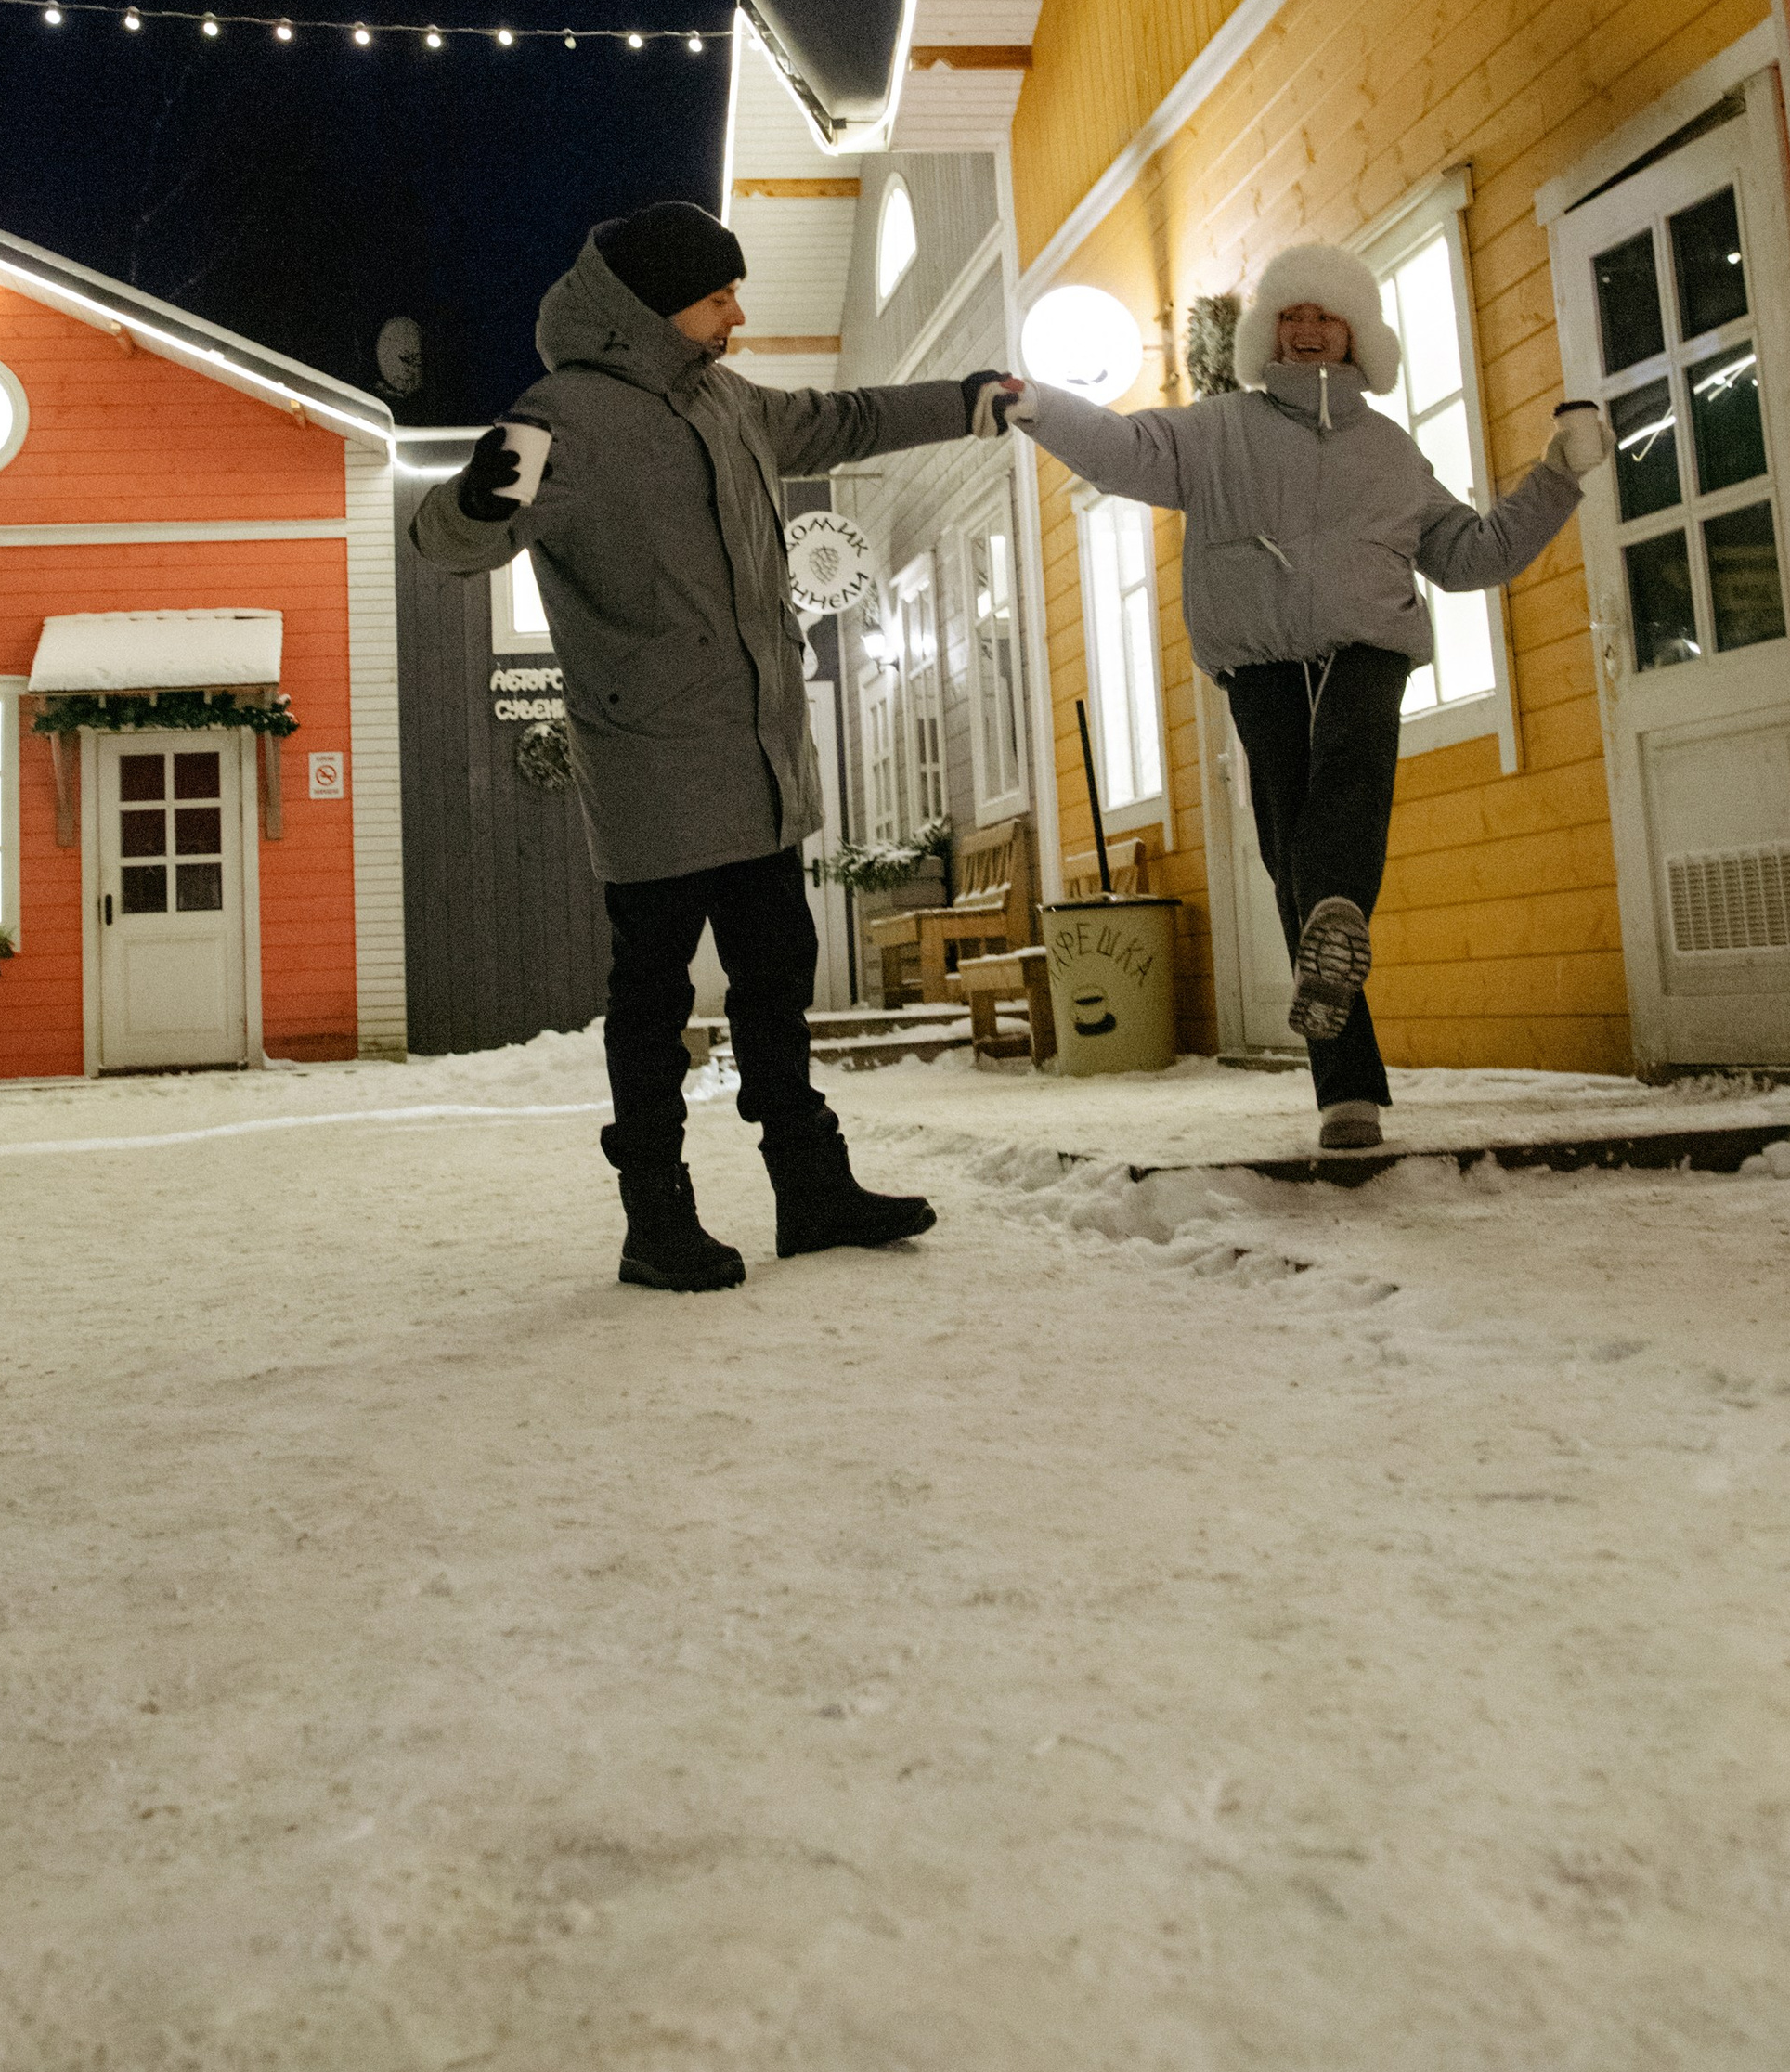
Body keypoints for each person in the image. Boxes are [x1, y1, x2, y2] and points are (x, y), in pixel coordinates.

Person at [409, 200, 1015, 1290]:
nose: (737, 311)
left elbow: (842, 419)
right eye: (716, 295)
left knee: (776, 976)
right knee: (653, 997)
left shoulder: (728, 402)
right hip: (650, 763)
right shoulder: (563, 418)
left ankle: (811, 1188)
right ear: (651, 307)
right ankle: (656, 1215)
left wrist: (963, 402)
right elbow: (449, 543)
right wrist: (472, 499)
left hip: (760, 759)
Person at [997, 239, 1609, 1151]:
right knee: (1292, 855)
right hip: (1263, 662)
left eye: (1327, 315)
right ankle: (1346, 1082)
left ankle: (1338, 968)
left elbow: (1470, 554)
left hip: (1367, 648)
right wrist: (1037, 405)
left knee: (1351, 782)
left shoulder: (1391, 451)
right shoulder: (1216, 431)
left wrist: (1562, 471)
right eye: (1293, 314)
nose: (1311, 328)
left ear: (1355, 333)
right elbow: (1123, 449)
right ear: (1266, 333)